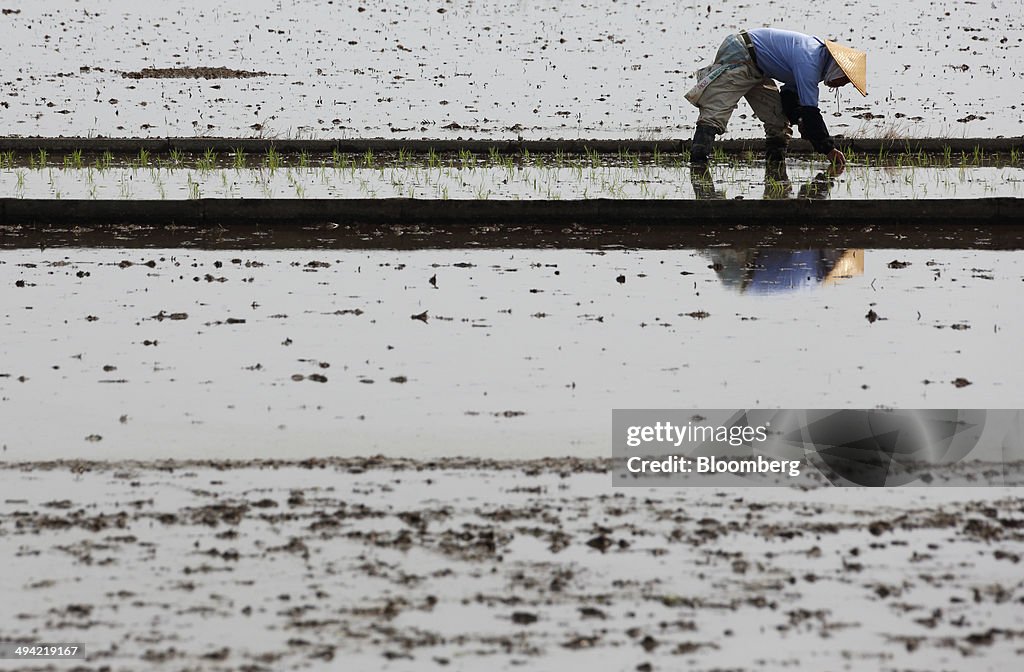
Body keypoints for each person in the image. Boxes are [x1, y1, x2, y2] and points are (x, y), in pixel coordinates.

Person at [685, 28, 866, 168]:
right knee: (715, 114)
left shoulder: (817, 63)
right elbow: (812, 112)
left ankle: (775, 169)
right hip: (741, 54)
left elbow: (789, 96)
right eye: (845, 79)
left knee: (778, 123)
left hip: (758, 69)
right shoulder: (810, 61)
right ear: (838, 67)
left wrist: (799, 119)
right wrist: (828, 149)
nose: (842, 84)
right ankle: (698, 166)